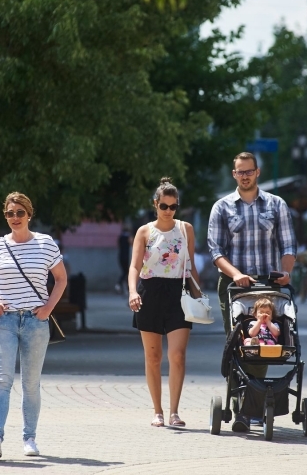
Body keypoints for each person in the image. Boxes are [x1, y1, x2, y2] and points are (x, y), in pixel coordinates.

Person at [207, 151, 296, 433]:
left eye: (249, 171)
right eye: (239, 172)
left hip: (268, 286)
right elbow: (216, 251)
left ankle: (251, 407)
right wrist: (236, 274)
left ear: (258, 172)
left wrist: (285, 272)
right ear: (234, 174)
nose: (244, 176)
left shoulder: (275, 204)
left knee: (265, 344)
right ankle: (242, 408)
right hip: (234, 286)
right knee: (239, 344)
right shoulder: (222, 207)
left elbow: (288, 245)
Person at [0, 192, 67, 458]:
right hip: (3, 321)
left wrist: (47, 309)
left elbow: (61, 279)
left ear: (29, 214)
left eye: (20, 212)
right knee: (2, 380)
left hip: (35, 321)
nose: (15, 218)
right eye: (10, 213)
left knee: (31, 383)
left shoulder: (46, 243)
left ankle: (29, 438)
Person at [127, 178, 197, 428]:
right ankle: (157, 411)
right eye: (164, 206)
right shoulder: (145, 231)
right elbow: (135, 266)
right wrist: (133, 292)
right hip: (150, 292)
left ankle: (174, 412)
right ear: (155, 204)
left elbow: (190, 266)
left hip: (178, 292)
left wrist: (199, 295)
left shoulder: (186, 229)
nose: (168, 211)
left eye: (173, 206)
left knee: (177, 356)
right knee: (153, 357)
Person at [116, 226, 132, 295]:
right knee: (127, 272)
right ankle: (120, 284)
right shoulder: (128, 238)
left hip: (120, 256)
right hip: (127, 257)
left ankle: (122, 286)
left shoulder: (120, 237)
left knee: (125, 272)